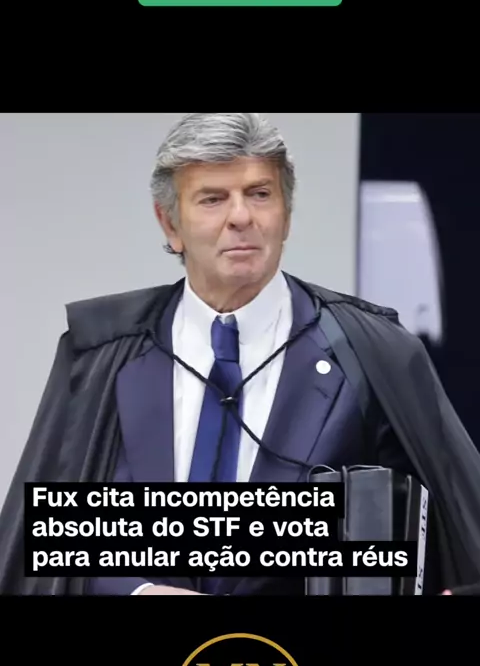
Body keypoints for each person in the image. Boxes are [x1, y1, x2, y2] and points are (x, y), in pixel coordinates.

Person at [1, 112, 480, 596]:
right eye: (212, 198)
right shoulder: (104, 354)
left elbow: (444, 539)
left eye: (260, 194)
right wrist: (139, 592)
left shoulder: (371, 350)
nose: (241, 217)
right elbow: (46, 551)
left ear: (286, 214)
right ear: (170, 223)